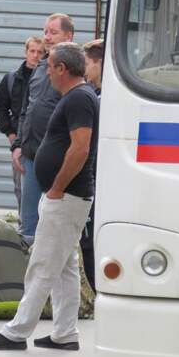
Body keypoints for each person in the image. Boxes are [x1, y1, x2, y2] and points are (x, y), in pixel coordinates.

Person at [0, 42, 99, 351]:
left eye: (49, 67)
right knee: (65, 267)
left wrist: (57, 187)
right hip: (64, 196)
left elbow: (80, 148)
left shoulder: (79, 98)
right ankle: (65, 333)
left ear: (61, 68)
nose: (46, 73)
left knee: (42, 265)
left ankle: (16, 332)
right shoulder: (76, 96)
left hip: (66, 197)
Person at [11, 13, 75, 245]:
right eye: (45, 31)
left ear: (68, 36)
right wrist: (18, 145)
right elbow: (25, 110)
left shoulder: (75, 70)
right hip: (30, 156)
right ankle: (26, 262)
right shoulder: (39, 67)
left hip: (57, 158)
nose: (47, 37)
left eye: (53, 32)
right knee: (28, 224)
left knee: (54, 221)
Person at [0, 36, 44, 213]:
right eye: (32, 51)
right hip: (20, 143)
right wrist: (11, 136)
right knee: (21, 189)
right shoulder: (11, 79)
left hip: (43, 142)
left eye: (40, 52)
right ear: (26, 52)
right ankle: (24, 225)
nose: (36, 55)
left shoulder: (48, 78)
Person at [80, 38, 104, 293]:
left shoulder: (106, 99)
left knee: (91, 241)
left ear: (100, 64)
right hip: (93, 177)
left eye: (87, 64)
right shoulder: (93, 94)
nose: (84, 70)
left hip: (99, 179)